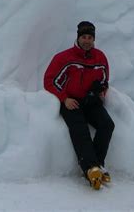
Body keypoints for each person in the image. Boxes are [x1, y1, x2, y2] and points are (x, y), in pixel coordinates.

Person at [44, 21, 115, 190]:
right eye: (84, 37)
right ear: (78, 37)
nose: (87, 41)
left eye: (90, 37)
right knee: (80, 128)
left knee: (107, 125)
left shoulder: (100, 57)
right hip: (71, 101)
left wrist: (101, 90)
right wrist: (64, 98)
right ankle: (89, 168)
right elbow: (49, 80)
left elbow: (105, 79)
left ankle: (98, 165)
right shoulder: (64, 57)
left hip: (90, 100)